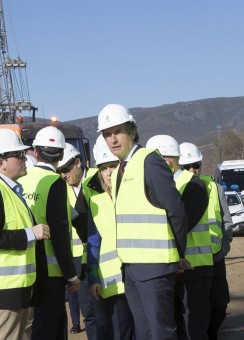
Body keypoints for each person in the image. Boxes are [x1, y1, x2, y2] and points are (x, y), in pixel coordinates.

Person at [97, 104, 189, 340]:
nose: (113, 139)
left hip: (155, 268)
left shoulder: (149, 161)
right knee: (144, 332)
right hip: (130, 268)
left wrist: (178, 253)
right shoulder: (119, 170)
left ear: (133, 132)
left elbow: (176, 210)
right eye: (107, 134)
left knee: (160, 332)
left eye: (118, 132)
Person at [0, 128, 50, 340]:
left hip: (17, 288)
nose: (25, 159)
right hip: (2, 291)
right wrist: (31, 233)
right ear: (0, 163)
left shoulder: (10, 190)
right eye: (18, 155)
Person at [18, 126, 80, 340]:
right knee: (49, 328)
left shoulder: (20, 179)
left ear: (35, 152)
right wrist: (71, 274)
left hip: (22, 267)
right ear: (62, 155)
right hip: (49, 273)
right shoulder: (55, 183)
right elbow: (60, 233)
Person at [146, 135, 210, 340]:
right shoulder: (161, 187)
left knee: (193, 330)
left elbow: (181, 223)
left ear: (166, 161)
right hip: (171, 269)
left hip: (194, 270)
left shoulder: (193, 185)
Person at [179, 142, 233, 340]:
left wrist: (222, 250)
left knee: (220, 304)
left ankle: (210, 333)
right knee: (192, 311)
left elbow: (226, 223)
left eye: (196, 165)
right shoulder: (175, 188)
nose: (193, 170)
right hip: (188, 265)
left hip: (214, 260)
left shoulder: (214, 188)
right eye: (187, 166)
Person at [86, 136, 135, 340]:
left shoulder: (134, 195)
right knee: (120, 332)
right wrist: (94, 278)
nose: (108, 173)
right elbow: (93, 244)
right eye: (103, 168)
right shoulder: (96, 203)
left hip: (137, 276)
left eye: (112, 166)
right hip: (112, 282)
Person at [57, 143, 108, 338]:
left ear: (78, 163)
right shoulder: (63, 189)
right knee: (89, 313)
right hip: (80, 260)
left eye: (66, 169)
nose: (64, 175)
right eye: (60, 171)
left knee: (108, 314)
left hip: (103, 255)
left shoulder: (98, 179)